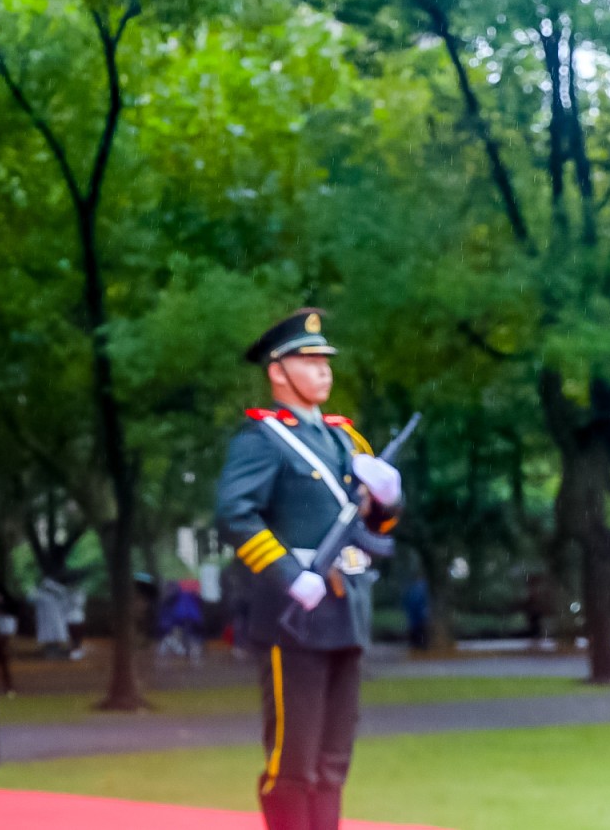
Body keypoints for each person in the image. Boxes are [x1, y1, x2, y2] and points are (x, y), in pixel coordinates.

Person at [215, 309, 405, 830]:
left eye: (326, 360)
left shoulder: (346, 439)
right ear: (277, 371)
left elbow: (374, 525)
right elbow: (234, 513)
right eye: (309, 360)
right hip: (294, 616)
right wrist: (286, 573)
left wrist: (387, 499)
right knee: (293, 763)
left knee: (333, 762)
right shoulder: (262, 439)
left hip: (348, 611)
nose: (324, 370)